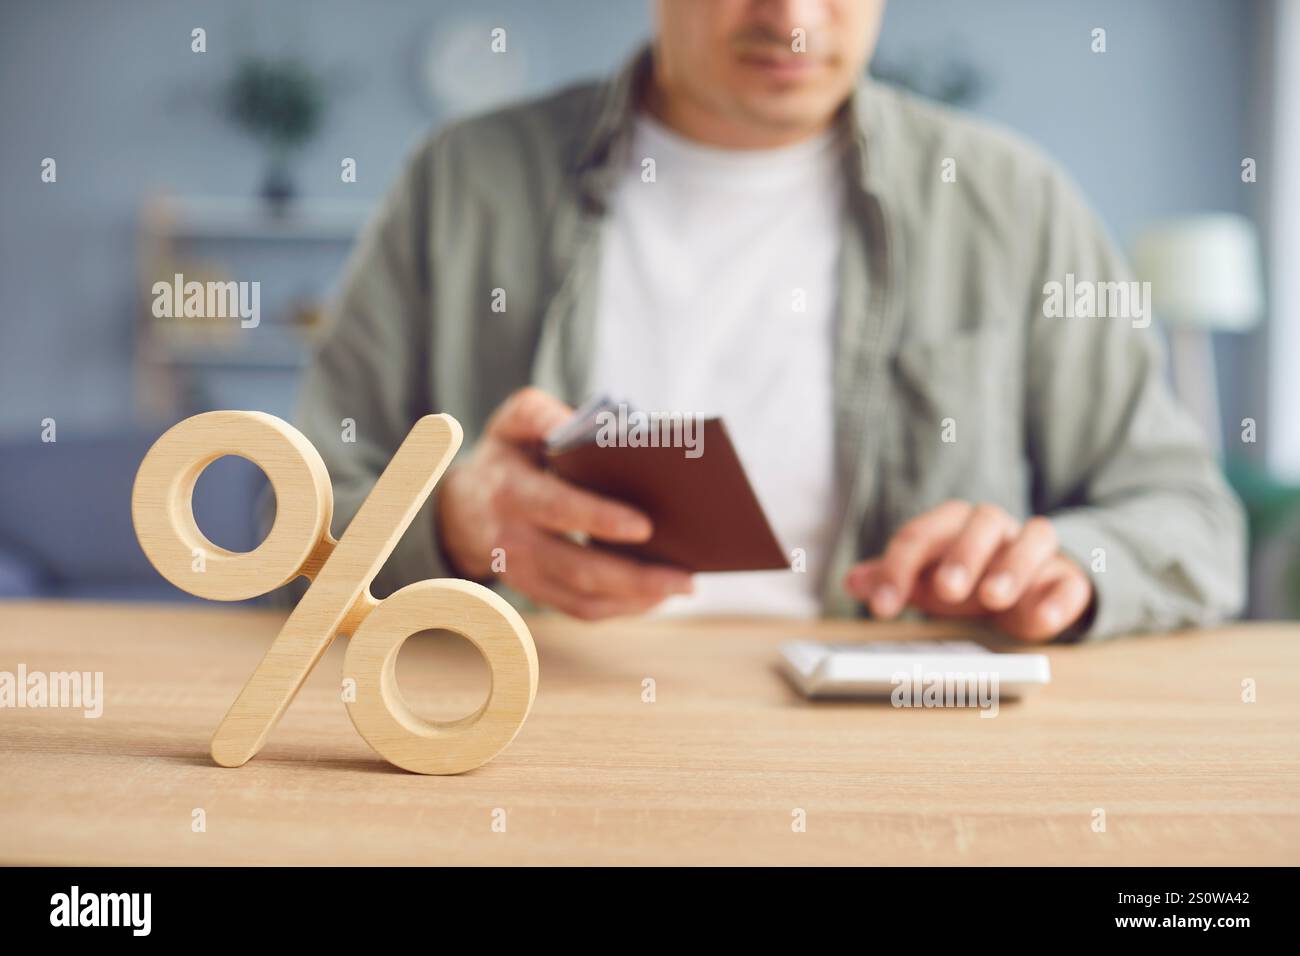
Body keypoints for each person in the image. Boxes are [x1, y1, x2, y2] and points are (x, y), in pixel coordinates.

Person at [294, 0, 1245, 642]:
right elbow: (287, 508)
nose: (792, 20)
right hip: (513, 723)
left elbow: (1193, 526)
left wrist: (1070, 567)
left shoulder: (1013, 202)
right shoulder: (463, 182)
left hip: (894, 763)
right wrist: (450, 529)